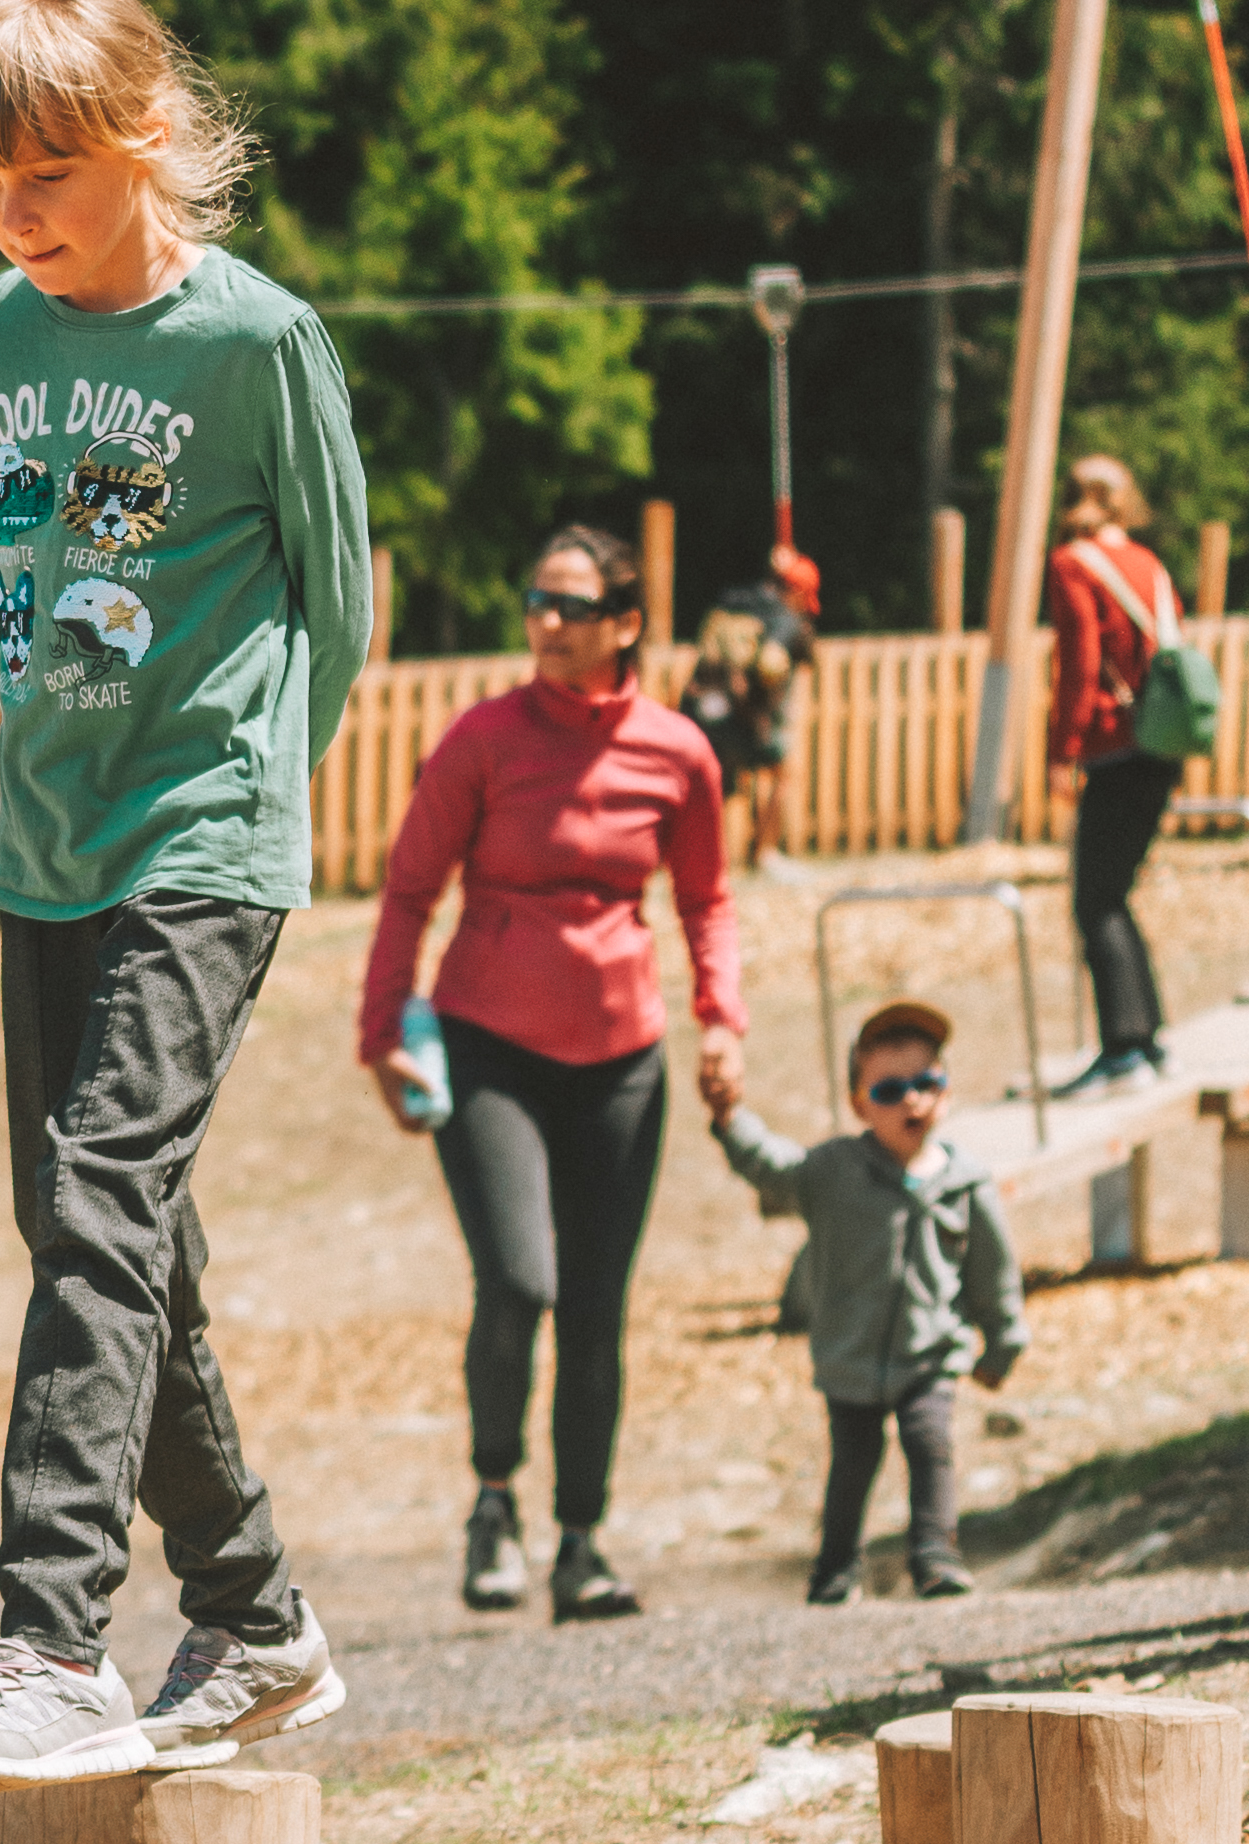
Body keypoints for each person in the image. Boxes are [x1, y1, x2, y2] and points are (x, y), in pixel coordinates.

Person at [0, 0, 373, 1789]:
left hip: (205, 836)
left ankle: (52, 1635)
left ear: (145, 136)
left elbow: (339, 601)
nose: (18, 215)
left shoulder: (256, 343)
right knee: (103, 1228)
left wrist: (243, 803)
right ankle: (252, 1616)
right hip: (51, 846)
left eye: (49, 176)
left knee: (100, 1197)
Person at [358, 521, 746, 1625]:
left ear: (625, 624)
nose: (546, 621)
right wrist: (382, 1029)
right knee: (519, 1280)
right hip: (488, 1047)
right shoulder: (481, 739)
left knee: (594, 1307)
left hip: (622, 1058)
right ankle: (493, 1503)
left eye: (571, 605)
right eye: (536, 599)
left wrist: (722, 1019)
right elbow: (407, 889)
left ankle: (581, 1539)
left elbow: (705, 899)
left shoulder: (677, 753)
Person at [712, 998, 1025, 1604]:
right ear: (860, 1103)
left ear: (947, 1091)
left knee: (931, 1446)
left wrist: (1004, 1343)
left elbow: (995, 1274)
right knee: (852, 1464)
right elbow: (772, 1167)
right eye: (889, 1090)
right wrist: (730, 1120)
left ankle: (935, 1556)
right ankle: (835, 1568)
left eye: (926, 1083)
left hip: (929, 1355)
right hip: (849, 1358)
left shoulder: (966, 1185)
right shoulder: (834, 1172)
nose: (911, 1100)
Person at [1050, 453, 1184, 1094]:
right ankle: (1148, 1038)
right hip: (1163, 745)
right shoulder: (1150, 565)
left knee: (1094, 900)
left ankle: (1124, 1049)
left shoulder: (1074, 564)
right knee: (1116, 894)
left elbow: (1079, 664)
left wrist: (1061, 750)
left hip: (1114, 745)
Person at [685, 547, 818, 872]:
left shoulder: (729, 603)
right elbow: (771, 667)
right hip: (742, 717)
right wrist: (759, 717)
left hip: (701, 712)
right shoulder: (784, 620)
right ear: (798, 592)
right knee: (782, 773)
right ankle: (765, 854)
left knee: (723, 784)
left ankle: (713, 861)